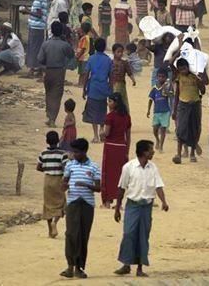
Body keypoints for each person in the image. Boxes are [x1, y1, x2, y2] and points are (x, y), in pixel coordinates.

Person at [113, 140, 169, 278]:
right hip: (132, 204)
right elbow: (121, 187)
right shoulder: (128, 167)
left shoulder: (153, 167)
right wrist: (117, 207)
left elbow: (158, 186)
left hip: (146, 206)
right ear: (144, 152)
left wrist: (164, 202)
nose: (153, 152)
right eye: (151, 150)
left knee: (143, 236)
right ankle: (126, 264)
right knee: (129, 233)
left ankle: (139, 267)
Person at [61, 138, 101, 279]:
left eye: (76, 152)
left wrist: (85, 184)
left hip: (87, 205)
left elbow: (98, 188)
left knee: (83, 236)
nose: (74, 154)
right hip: (73, 203)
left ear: (84, 152)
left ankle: (79, 267)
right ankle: (70, 266)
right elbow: (64, 182)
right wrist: (64, 187)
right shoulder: (70, 165)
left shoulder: (94, 167)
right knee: (71, 234)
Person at [38, 21, 76, 127]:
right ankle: (52, 119)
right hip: (59, 72)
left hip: (48, 71)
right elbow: (71, 54)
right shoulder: (64, 45)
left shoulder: (46, 44)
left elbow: (40, 59)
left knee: (49, 94)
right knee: (56, 96)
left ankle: (49, 116)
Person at [172, 58, 206, 164]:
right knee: (180, 129)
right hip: (183, 105)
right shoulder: (179, 77)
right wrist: (174, 109)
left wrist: (199, 81)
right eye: (180, 69)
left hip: (195, 105)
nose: (183, 71)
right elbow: (177, 93)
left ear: (188, 67)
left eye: (184, 68)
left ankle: (192, 154)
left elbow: (203, 91)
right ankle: (178, 153)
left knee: (194, 128)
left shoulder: (195, 76)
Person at [101, 92, 132, 207]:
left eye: (110, 101)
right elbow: (128, 136)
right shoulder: (126, 117)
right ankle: (119, 202)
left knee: (108, 174)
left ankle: (108, 201)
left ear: (115, 103)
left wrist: (101, 133)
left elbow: (107, 133)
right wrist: (127, 151)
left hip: (110, 147)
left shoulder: (110, 117)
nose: (108, 104)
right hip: (122, 148)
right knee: (120, 176)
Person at [37, 130, 67, 238]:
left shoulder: (43, 153)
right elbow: (65, 169)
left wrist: (47, 169)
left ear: (47, 141)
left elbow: (38, 167)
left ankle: (50, 230)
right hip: (58, 179)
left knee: (48, 205)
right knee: (61, 203)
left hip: (47, 180)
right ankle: (55, 222)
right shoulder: (62, 154)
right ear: (58, 140)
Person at [83, 38, 112, 143]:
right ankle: (101, 129)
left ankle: (95, 135)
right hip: (104, 89)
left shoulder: (91, 59)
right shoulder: (108, 60)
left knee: (93, 113)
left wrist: (84, 88)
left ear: (94, 47)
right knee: (102, 111)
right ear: (104, 48)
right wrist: (111, 90)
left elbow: (86, 74)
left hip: (93, 89)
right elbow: (111, 76)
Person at [21, 0, 48, 76]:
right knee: (38, 48)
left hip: (36, 27)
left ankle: (31, 70)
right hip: (39, 27)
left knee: (33, 48)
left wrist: (27, 11)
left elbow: (39, 14)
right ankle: (39, 69)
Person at [147, 68, 173, 152]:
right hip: (156, 112)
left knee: (163, 129)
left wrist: (165, 90)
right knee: (155, 129)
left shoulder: (168, 86)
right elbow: (150, 99)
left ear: (166, 78)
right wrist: (148, 110)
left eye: (163, 77)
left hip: (165, 111)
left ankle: (161, 146)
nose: (161, 78)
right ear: (157, 77)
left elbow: (171, 96)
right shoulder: (154, 88)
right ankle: (157, 140)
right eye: (159, 76)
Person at [110, 43, 137, 110]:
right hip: (111, 85)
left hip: (121, 85)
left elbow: (129, 73)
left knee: (122, 101)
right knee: (112, 101)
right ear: (113, 52)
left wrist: (133, 80)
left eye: (121, 52)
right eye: (118, 52)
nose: (120, 53)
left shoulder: (124, 63)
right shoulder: (110, 63)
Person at [76, 21, 93, 87]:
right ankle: (80, 83)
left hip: (83, 58)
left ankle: (81, 83)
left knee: (83, 72)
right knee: (81, 72)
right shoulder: (85, 37)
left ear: (82, 29)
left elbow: (83, 49)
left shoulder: (85, 38)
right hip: (82, 58)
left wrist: (78, 56)